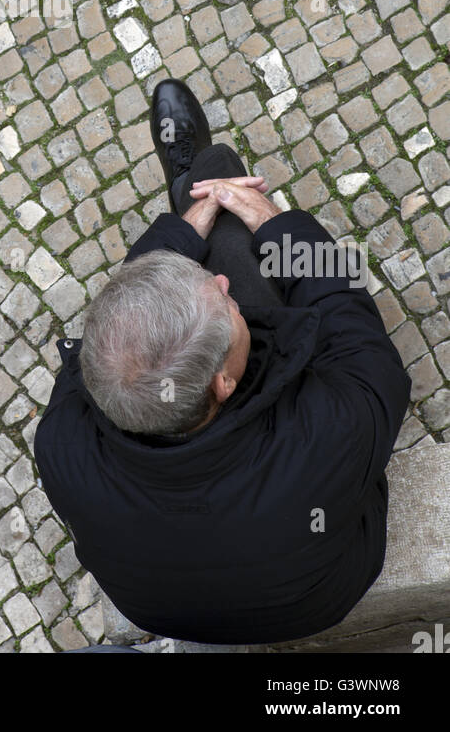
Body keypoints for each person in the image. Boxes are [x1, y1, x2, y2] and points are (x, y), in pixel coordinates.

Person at [34, 79, 411, 645]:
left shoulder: (60, 445)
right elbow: (354, 331)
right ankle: (201, 177)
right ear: (225, 381)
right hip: (330, 586)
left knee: (211, 227)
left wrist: (183, 230)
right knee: (228, 204)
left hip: (168, 611)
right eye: (225, 302)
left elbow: (98, 343)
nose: (222, 282)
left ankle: (191, 190)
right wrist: (279, 226)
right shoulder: (331, 432)